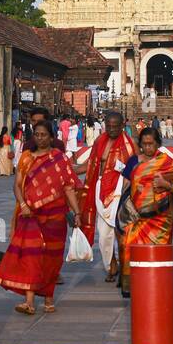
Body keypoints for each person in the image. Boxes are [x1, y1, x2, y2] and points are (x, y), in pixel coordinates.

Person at [0, 120, 81, 314]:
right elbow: (17, 185)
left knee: (52, 259)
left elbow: (68, 188)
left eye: (44, 135)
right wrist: (23, 204)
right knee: (31, 257)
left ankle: (49, 298)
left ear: (51, 137)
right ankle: (29, 302)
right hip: (30, 215)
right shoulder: (26, 157)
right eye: (37, 135)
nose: (40, 138)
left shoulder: (59, 158)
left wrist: (77, 213)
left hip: (56, 217)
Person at [116, 127, 173, 299]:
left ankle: (156, 284)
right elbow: (126, 188)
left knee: (157, 253)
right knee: (131, 248)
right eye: (144, 144)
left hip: (160, 220)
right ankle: (136, 287)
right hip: (137, 218)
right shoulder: (134, 162)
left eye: (151, 144)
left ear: (158, 144)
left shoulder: (167, 162)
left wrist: (166, 185)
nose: (148, 148)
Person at [73, 110, 136, 282]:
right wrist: (69, 169)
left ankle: (122, 266)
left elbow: (135, 169)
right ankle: (111, 263)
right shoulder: (100, 141)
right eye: (109, 126)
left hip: (119, 189)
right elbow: (90, 164)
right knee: (103, 234)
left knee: (120, 231)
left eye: (115, 126)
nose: (112, 129)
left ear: (122, 126)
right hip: (100, 187)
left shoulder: (129, 146)